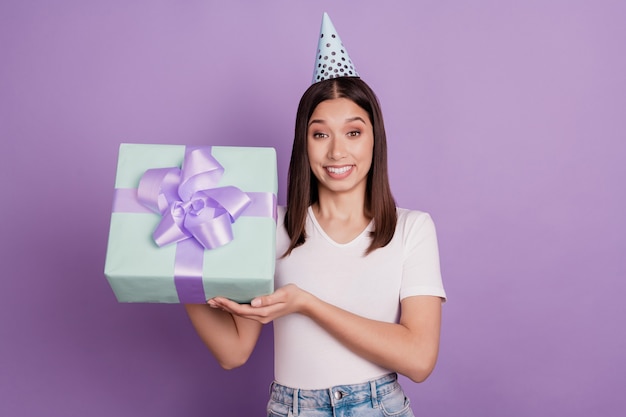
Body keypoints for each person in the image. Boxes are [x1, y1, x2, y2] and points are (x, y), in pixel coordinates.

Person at [184, 13, 446, 417]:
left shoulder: (412, 229)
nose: (337, 152)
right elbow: (233, 352)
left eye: (354, 132)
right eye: (320, 133)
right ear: (304, 143)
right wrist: (176, 272)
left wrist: (307, 304)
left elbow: (419, 359)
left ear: (375, 138)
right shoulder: (269, 227)